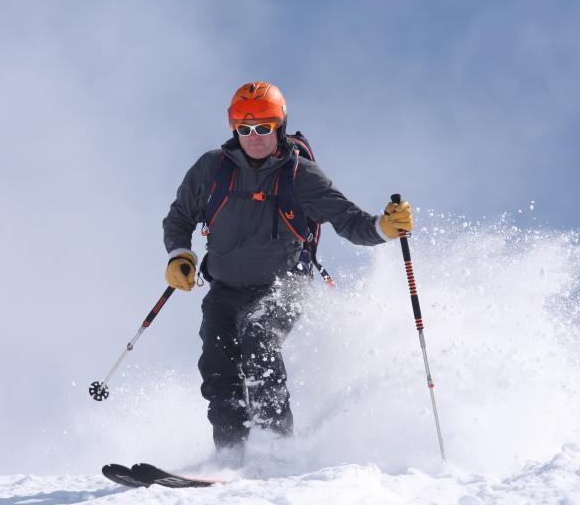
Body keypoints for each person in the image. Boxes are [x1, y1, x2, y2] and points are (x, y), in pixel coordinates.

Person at [162, 81, 413, 452]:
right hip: (225, 290)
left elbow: (349, 221)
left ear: (279, 126)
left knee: (259, 339)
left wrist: (383, 227)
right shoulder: (211, 170)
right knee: (218, 365)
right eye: (244, 129)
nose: (254, 137)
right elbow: (179, 218)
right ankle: (231, 454)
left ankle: (275, 449)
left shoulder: (301, 176)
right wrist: (179, 254)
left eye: (263, 127)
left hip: (284, 285)